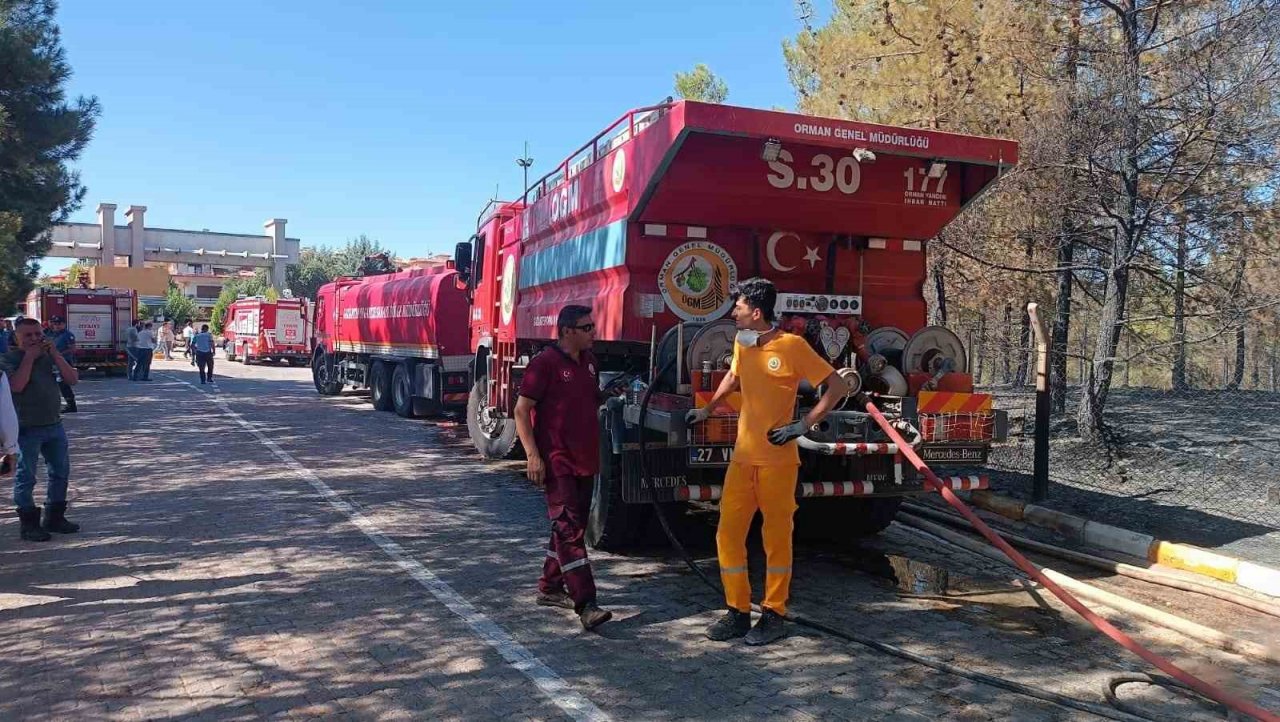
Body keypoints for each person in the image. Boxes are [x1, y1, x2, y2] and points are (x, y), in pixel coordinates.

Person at [686, 278, 850, 646]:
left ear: (756, 312)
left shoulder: (792, 347)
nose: (734, 313)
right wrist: (708, 408)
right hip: (742, 460)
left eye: (739, 307)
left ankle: (774, 612)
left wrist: (803, 425)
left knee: (775, 539)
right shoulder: (742, 343)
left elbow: (838, 387)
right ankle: (737, 611)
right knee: (727, 534)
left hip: (778, 462)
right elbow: (734, 375)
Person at [513, 305, 612, 631]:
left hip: (586, 460)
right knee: (570, 529)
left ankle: (550, 586)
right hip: (558, 460)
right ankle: (586, 603)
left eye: (592, 326)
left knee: (570, 526)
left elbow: (588, 400)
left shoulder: (590, 363)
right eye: (587, 327)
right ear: (568, 330)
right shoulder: (544, 364)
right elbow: (521, 410)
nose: (593, 332)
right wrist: (532, 456)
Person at [2, 317, 81, 542]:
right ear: (16, 337)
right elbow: (17, 385)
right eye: (28, 335)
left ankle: (54, 517)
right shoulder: (8, 359)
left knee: (60, 473)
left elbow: (72, 379)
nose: (35, 339)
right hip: (26, 428)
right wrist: (28, 357)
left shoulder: (47, 356)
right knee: (26, 477)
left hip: (54, 425)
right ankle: (28, 524)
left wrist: (55, 354)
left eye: (38, 334)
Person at [45, 316, 78, 413]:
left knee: (63, 385)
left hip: (64, 362)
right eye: (55, 324)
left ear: (64, 324)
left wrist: (58, 355)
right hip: (53, 363)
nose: (57, 326)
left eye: (59, 324)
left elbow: (72, 349)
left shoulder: (67, 335)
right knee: (55, 384)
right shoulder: (52, 334)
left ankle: (71, 405)